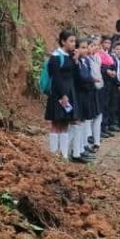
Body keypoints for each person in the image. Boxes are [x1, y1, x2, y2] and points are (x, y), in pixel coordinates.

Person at [44, 29, 77, 159]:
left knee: (65, 123)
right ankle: (53, 153)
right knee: (56, 123)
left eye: (74, 41)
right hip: (58, 95)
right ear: (63, 41)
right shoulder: (56, 57)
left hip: (68, 92)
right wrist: (63, 94)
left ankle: (63, 154)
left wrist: (75, 60)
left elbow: (72, 75)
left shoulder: (69, 56)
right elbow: (56, 78)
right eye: (71, 41)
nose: (74, 44)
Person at [70, 37, 98, 163]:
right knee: (77, 124)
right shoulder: (75, 62)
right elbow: (81, 77)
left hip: (85, 94)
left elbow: (87, 76)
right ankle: (75, 152)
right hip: (78, 95)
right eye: (83, 47)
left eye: (86, 47)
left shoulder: (85, 61)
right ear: (76, 49)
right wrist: (90, 79)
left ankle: (80, 150)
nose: (86, 50)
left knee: (82, 123)